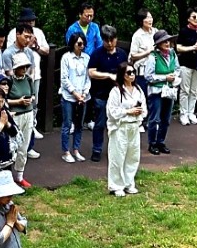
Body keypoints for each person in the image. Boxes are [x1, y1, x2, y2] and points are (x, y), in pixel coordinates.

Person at [87, 26, 129, 162]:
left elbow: (127, 71)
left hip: (118, 95)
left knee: (118, 123)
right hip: (101, 94)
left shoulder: (122, 54)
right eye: (106, 40)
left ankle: (115, 149)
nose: (110, 43)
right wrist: (108, 75)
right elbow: (91, 72)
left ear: (116, 39)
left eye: (112, 40)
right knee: (100, 124)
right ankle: (97, 149)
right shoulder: (97, 54)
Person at [7, 9, 50, 141]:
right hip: (17, 76)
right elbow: (10, 50)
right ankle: (16, 127)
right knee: (17, 100)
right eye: (28, 20)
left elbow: (47, 50)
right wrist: (27, 44)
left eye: (33, 20)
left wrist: (36, 47)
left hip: (34, 74)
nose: (31, 22)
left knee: (33, 101)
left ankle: (32, 126)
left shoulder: (39, 32)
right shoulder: (13, 33)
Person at [106, 62, 146, 197]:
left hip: (134, 126)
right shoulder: (116, 91)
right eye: (129, 73)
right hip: (120, 127)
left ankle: (129, 183)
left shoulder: (138, 90)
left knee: (133, 156)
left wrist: (138, 112)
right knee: (118, 156)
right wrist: (128, 111)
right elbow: (112, 111)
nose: (132, 75)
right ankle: (116, 185)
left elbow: (144, 109)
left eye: (133, 72)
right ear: (122, 75)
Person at [139, 29, 179, 155]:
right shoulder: (153, 57)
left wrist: (174, 76)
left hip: (169, 90)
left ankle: (161, 142)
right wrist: (164, 77)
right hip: (156, 91)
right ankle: (152, 143)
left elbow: (177, 68)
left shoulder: (173, 54)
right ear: (158, 44)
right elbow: (148, 76)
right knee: (154, 118)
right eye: (164, 41)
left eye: (168, 41)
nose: (167, 43)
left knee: (166, 119)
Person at [6, 52, 38, 188]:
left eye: (25, 66)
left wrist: (30, 100)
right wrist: (18, 102)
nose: (24, 69)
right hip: (15, 115)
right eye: (21, 67)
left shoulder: (28, 79)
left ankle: (19, 176)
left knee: (24, 146)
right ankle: (7, 175)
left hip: (28, 114)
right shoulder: (9, 81)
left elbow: (33, 95)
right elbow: (4, 100)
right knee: (11, 146)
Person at [59, 31, 91, 162]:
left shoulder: (87, 58)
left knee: (79, 124)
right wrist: (75, 93)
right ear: (73, 43)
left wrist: (84, 93)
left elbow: (88, 78)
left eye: (83, 43)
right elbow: (64, 78)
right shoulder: (66, 58)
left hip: (83, 96)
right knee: (67, 124)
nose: (81, 46)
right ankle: (66, 151)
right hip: (69, 96)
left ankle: (76, 149)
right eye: (79, 43)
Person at [175, 8, 197, 126]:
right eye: (194, 17)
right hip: (186, 64)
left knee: (194, 90)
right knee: (185, 90)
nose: (196, 19)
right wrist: (193, 48)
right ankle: (183, 114)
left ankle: (191, 113)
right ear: (188, 19)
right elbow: (178, 47)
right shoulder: (184, 31)